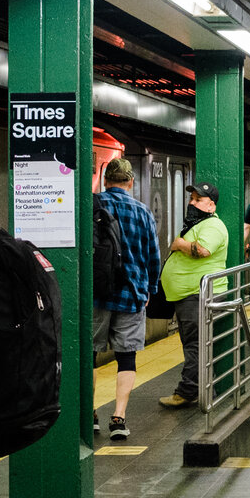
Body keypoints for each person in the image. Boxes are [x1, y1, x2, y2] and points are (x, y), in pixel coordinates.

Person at [93, 158, 160, 440]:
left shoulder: (93, 205)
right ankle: (118, 418)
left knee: (90, 355)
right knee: (126, 358)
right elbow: (153, 257)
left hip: (96, 294)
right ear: (130, 182)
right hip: (131, 295)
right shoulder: (142, 211)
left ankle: (90, 414)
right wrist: (150, 290)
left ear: (105, 179)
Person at [158, 181, 230, 409]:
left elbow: (203, 250)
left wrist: (179, 244)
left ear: (211, 206)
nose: (192, 203)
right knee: (195, 343)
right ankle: (199, 388)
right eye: (192, 199)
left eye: (198, 200)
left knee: (194, 345)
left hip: (197, 294)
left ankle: (187, 392)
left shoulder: (213, 226)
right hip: (191, 294)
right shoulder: (199, 224)